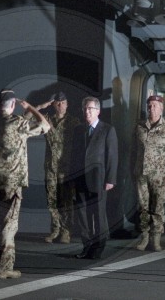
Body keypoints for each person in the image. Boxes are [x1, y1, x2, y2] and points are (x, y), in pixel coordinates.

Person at [0, 89, 50, 279]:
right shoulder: (17, 123)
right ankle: (4, 267)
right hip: (11, 183)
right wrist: (31, 107)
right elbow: (45, 126)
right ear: (13, 105)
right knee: (8, 225)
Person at [70, 96, 118, 259]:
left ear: (98, 111)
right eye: (85, 109)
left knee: (98, 214)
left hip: (99, 179)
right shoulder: (78, 130)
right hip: (81, 179)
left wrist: (110, 179)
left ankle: (98, 248)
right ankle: (86, 246)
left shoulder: (107, 130)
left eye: (90, 109)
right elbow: (73, 156)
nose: (87, 112)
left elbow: (112, 156)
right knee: (82, 215)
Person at [32, 92, 80, 244]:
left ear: (67, 104)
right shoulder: (47, 120)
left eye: (63, 103)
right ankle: (55, 229)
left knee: (66, 201)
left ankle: (66, 231)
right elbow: (28, 117)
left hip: (66, 168)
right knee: (51, 200)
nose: (60, 106)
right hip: (51, 167)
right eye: (57, 103)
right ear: (53, 104)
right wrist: (40, 106)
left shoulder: (74, 122)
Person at [133, 95, 165, 252]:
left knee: (158, 207)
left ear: (161, 108)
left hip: (159, 176)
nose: (151, 108)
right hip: (141, 174)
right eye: (149, 106)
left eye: (154, 105)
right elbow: (134, 149)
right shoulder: (139, 126)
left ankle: (156, 238)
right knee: (143, 207)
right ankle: (144, 237)